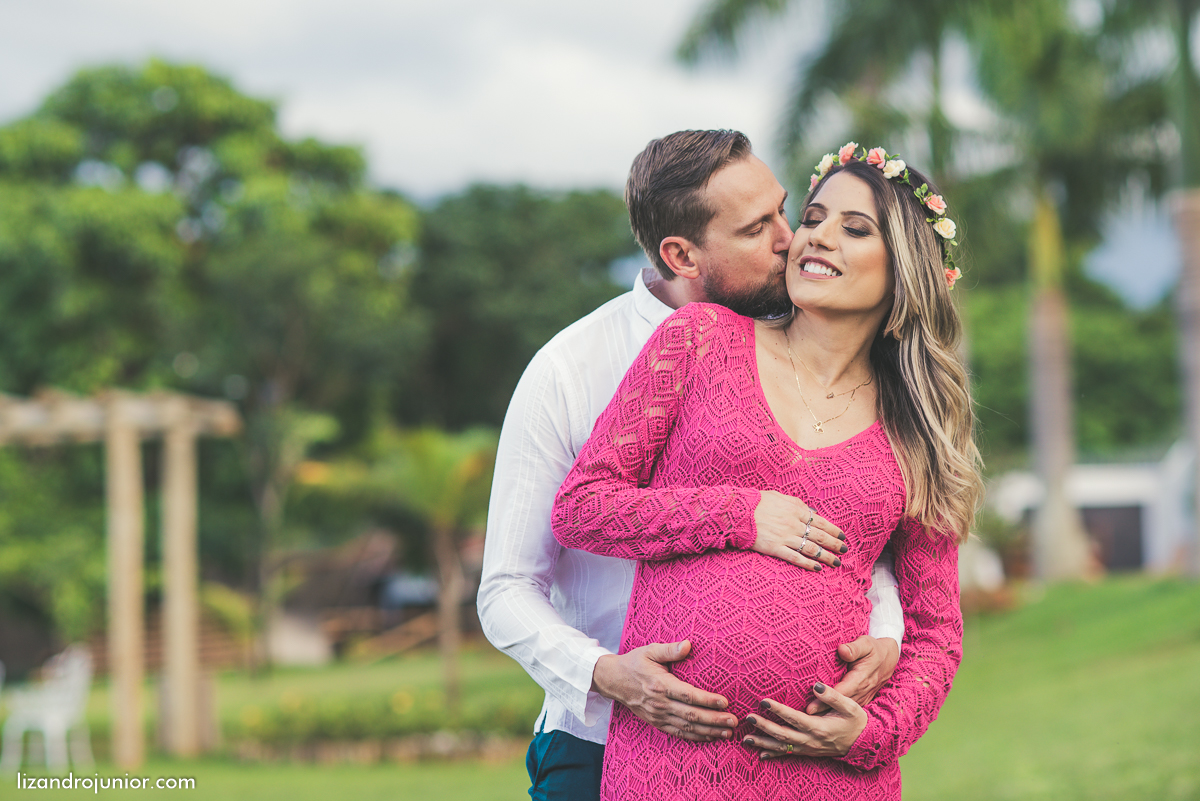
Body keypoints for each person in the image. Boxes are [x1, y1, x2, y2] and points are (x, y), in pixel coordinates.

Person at [477, 131, 905, 801]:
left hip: (787, 762)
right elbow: (505, 586)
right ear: (682, 254)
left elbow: (851, 522)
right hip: (600, 748)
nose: (791, 240)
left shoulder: (818, 344)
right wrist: (608, 673)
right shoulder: (569, 369)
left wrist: (888, 629)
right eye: (757, 227)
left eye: (784, 211)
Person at [551, 144, 982, 800]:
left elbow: (936, 627)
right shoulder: (697, 341)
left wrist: (871, 732)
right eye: (813, 216)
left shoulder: (917, 430)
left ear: (905, 268)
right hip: (675, 763)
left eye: (855, 228)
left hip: (830, 777)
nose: (816, 235)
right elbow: (583, 504)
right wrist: (739, 514)